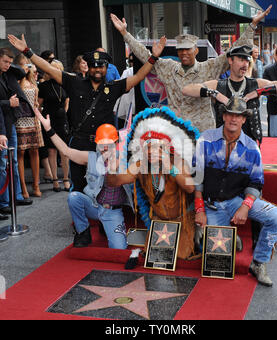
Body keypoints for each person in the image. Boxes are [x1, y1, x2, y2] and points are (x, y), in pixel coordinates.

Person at [8, 33, 166, 193]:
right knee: (79, 188)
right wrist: (27, 51)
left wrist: (153, 57)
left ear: (106, 68)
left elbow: (139, 76)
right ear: (88, 67)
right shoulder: (73, 82)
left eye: (101, 66)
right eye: (93, 66)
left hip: (105, 146)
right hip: (79, 142)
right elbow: (47, 67)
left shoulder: (114, 87)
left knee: (107, 189)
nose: (97, 69)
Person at [182, 44, 277, 250]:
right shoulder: (220, 84)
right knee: (220, 188)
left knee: (253, 190)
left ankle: (257, 241)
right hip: (222, 144)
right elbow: (186, 89)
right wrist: (216, 94)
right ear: (230, 61)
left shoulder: (253, 83)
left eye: (247, 60)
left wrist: (255, 94)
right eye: (240, 59)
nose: (245, 63)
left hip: (249, 146)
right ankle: (228, 234)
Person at [110, 6, 272, 133]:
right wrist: (125, 33)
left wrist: (252, 25)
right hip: (176, 130)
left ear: (195, 51)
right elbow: (145, 56)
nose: (184, 53)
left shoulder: (208, 67)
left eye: (188, 49)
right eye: (181, 50)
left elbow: (234, 51)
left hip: (202, 131)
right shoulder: (169, 68)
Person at [194, 96, 277, 287]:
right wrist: (199, 208)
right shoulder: (206, 139)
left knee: (276, 217)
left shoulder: (252, 147)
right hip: (212, 205)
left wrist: (246, 206)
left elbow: (256, 182)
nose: (233, 119)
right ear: (224, 116)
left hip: (237, 201)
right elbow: (196, 177)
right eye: (229, 114)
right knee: (216, 266)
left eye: (238, 115)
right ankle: (227, 237)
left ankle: (259, 262)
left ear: (244, 119)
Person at [106, 106, 199, 260]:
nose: (151, 151)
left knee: (181, 257)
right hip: (159, 221)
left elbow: (190, 188)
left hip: (182, 220)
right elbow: (116, 182)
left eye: (156, 147)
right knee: (157, 259)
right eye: (148, 147)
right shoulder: (141, 165)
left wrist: (169, 167)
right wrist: (111, 169)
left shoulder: (177, 161)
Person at [35, 107, 134, 248]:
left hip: (113, 212)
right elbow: (66, 151)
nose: (105, 148)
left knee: (119, 248)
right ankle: (83, 231)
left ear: (116, 143)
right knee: (74, 197)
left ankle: (105, 226)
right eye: (102, 144)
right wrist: (49, 129)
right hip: (94, 206)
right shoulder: (91, 157)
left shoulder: (125, 162)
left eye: (109, 144)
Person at [0, 48, 33, 216]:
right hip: (1, 126)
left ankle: (16, 196)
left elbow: (21, 71)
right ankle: (4, 201)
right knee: (2, 165)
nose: (8, 65)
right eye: (5, 61)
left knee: (12, 161)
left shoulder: (9, 73)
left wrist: (8, 65)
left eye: (9, 62)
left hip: (10, 122)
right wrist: (8, 103)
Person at [14, 54, 44, 198]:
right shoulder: (15, 81)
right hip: (20, 120)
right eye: (24, 65)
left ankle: (36, 185)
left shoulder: (33, 80)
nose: (27, 67)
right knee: (20, 153)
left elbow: (37, 102)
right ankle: (23, 188)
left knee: (35, 151)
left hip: (33, 120)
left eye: (28, 65)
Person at [38, 59, 70, 192]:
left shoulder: (66, 84)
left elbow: (67, 102)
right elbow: (39, 105)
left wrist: (63, 114)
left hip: (62, 120)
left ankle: (66, 179)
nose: (55, 71)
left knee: (64, 151)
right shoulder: (44, 86)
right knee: (51, 150)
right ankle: (55, 180)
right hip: (49, 120)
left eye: (57, 69)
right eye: (52, 68)